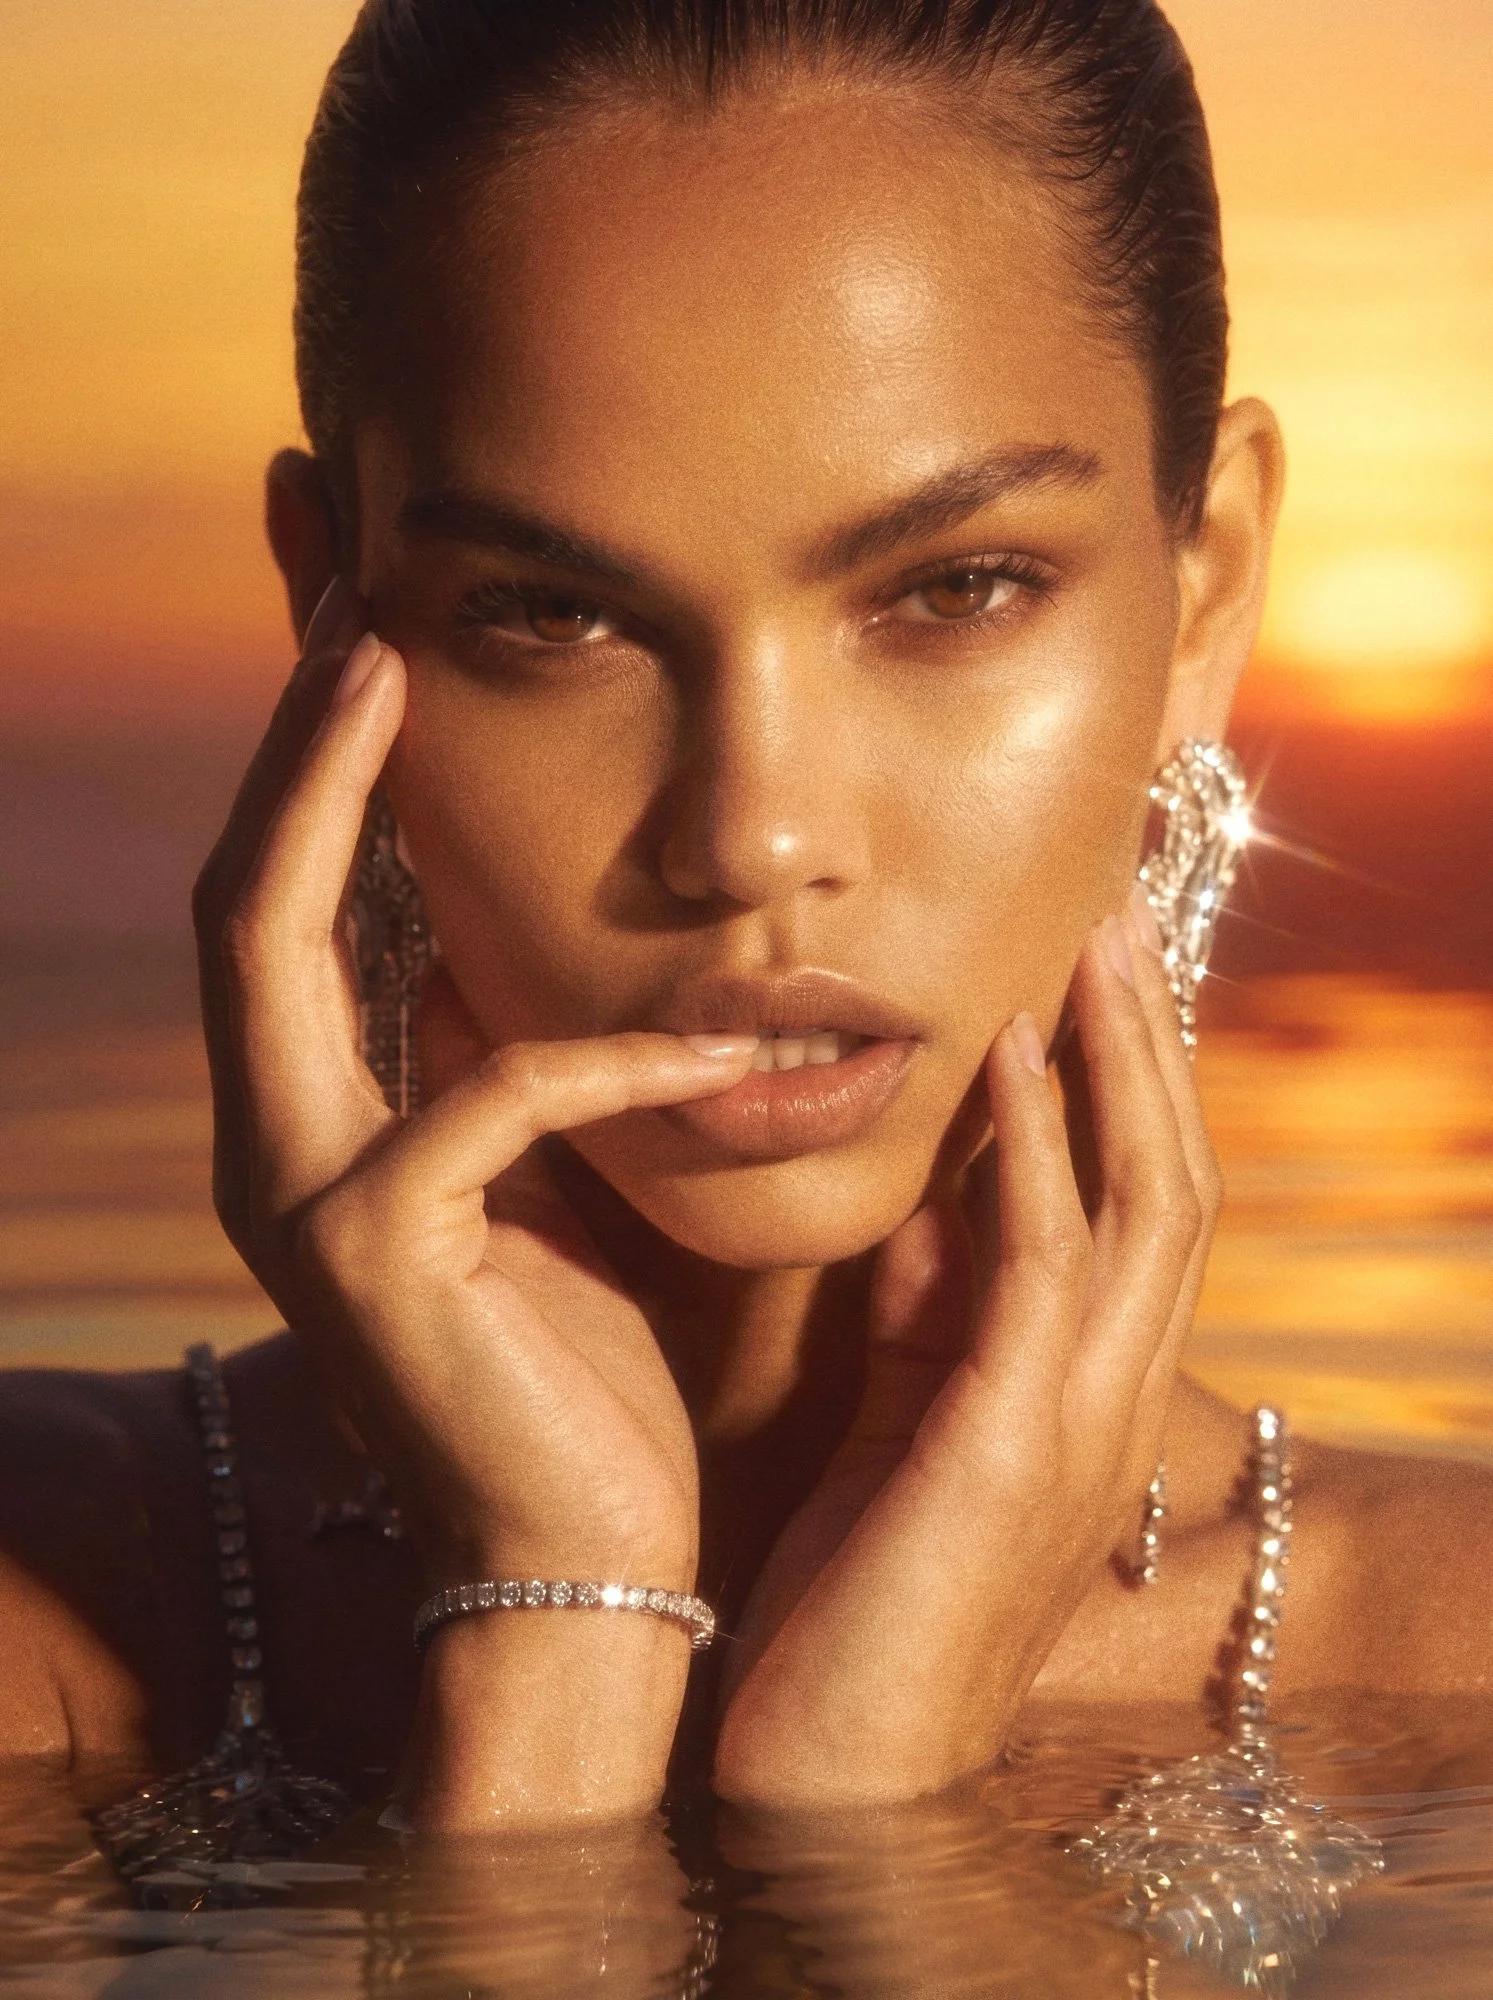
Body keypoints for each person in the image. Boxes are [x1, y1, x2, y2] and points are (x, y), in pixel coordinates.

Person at [3, 0, 1490, 1848]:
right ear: (333, 617)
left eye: (957, 587)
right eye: (555, 616)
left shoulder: (1459, 1669)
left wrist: (863, 1809)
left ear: (1204, 603)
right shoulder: (41, 1608)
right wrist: (548, 1638)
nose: (751, 835)